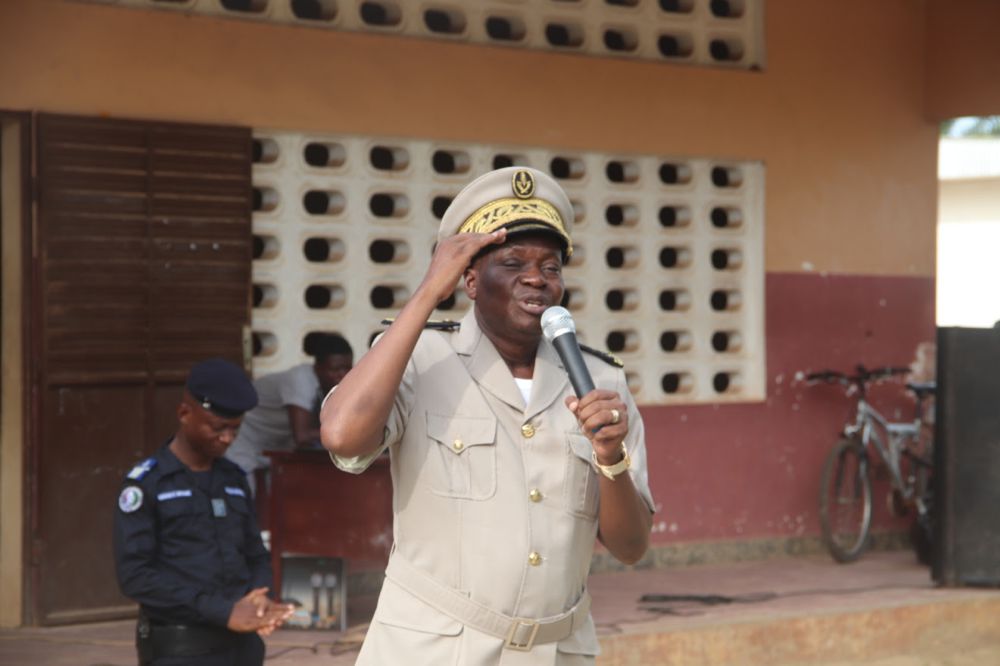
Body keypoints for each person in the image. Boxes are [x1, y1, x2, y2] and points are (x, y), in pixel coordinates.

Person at [320, 166, 655, 664]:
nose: (536, 278)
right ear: (470, 280)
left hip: (557, 650)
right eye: (513, 261)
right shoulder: (421, 357)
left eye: (551, 266)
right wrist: (430, 291)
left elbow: (631, 547)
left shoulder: (601, 384)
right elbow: (343, 437)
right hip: (429, 650)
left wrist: (610, 458)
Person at [114, 357, 294, 666]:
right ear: (185, 413)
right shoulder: (146, 485)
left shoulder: (234, 479)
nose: (227, 438)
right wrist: (223, 612)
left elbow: (255, 553)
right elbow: (136, 577)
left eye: (235, 430)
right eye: (218, 428)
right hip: (180, 649)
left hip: (242, 649)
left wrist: (260, 595)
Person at [225, 333, 353, 494]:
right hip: (246, 441)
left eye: (347, 368)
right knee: (247, 497)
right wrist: (345, 431)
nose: (341, 375)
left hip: (276, 445)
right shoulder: (300, 380)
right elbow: (302, 435)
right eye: (334, 369)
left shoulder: (337, 386)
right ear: (318, 367)